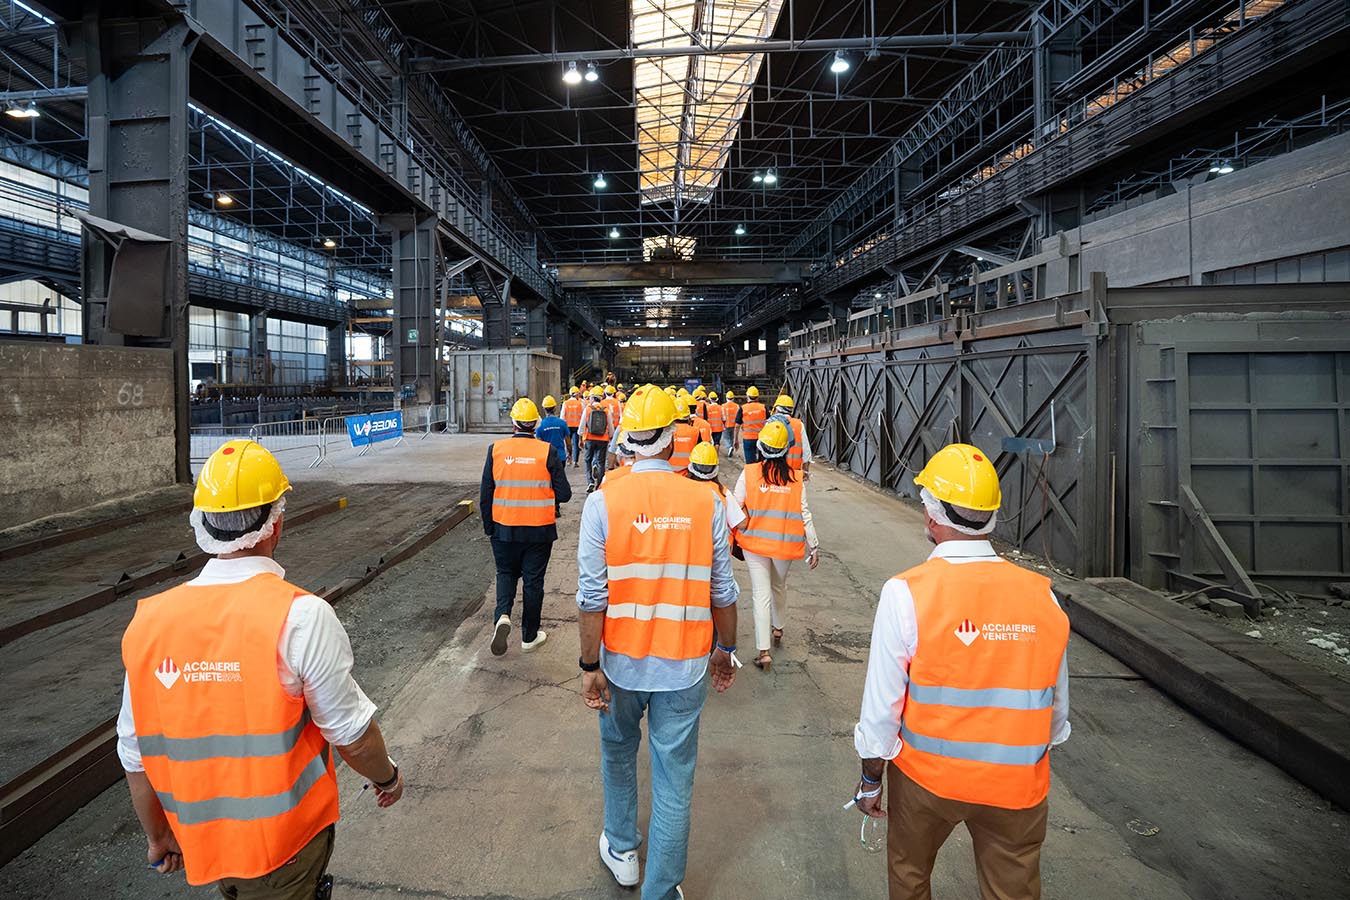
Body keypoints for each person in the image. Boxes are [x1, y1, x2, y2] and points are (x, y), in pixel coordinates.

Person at [118, 440, 404, 896]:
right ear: (276, 522)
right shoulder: (300, 616)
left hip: (202, 846)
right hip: (282, 851)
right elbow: (352, 736)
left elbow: (135, 754)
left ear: (202, 525)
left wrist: (158, 835)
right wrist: (387, 776)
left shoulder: (148, 624)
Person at [851, 443, 1071, 900]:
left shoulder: (906, 592)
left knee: (910, 875)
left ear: (932, 516)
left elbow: (881, 710)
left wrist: (872, 779)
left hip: (927, 781)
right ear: (990, 518)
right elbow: (1055, 710)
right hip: (1016, 785)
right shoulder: (1042, 596)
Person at [576, 384, 741, 900]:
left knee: (618, 754)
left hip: (621, 664)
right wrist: (726, 650)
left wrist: (589, 666)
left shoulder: (602, 503)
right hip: (685, 666)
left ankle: (623, 850)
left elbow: (591, 598)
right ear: (672, 440)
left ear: (626, 440)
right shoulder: (706, 501)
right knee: (674, 779)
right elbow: (723, 591)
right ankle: (661, 890)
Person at [480, 398, 573, 655]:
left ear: (513, 423)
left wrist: (489, 528)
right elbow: (564, 494)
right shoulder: (546, 452)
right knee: (533, 582)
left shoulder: (496, 450)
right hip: (538, 531)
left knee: (505, 573)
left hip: (503, 528)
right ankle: (529, 637)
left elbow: (485, 494)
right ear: (535, 424)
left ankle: (502, 615)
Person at [733, 420, 820, 671]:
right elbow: (804, 513)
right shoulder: (796, 478)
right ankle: (778, 628)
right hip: (784, 545)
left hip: (754, 544)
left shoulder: (749, 473)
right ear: (786, 449)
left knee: (760, 594)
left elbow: (735, 506)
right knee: (778, 586)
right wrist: (814, 546)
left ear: (760, 447)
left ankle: (764, 652)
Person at [685, 441, 745, 538]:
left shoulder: (681, 489)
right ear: (715, 468)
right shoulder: (723, 493)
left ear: (692, 465)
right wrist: (744, 506)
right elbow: (741, 524)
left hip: (689, 543)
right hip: (717, 545)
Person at [769, 394, 812, 482]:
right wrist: (805, 471)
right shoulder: (799, 425)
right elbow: (806, 452)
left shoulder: (770, 424)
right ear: (791, 411)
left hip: (773, 472)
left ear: (777, 409)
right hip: (794, 473)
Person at [581, 385, 613, 492]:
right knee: (601, 462)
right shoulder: (606, 410)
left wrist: (581, 437)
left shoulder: (588, 409)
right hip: (603, 439)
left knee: (587, 460)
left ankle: (590, 481)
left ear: (592, 398)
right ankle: (599, 485)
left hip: (589, 438)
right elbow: (610, 427)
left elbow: (581, 427)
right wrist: (610, 437)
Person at [536, 395, 570, 480]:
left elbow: (538, 444)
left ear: (544, 409)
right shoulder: (562, 423)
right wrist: (570, 453)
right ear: (554, 408)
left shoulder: (540, 425)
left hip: (546, 458)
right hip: (560, 457)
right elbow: (568, 442)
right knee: (559, 480)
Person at [668, 397, 702, 475]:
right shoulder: (695, 431)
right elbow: (700, 453)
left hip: (669, 473)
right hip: (689, 474)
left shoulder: (667, 432)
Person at [736, 386, 767, 465]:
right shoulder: (763, 407)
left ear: (747, 397)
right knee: (762, 462)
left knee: (750, 463)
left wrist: (735, 440)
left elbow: (737, 425)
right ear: (757, 397)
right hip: (762, 438)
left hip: (748, 439)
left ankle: (752, 472)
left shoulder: (743, 408)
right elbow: (769, 423)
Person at [562, 388, 584, 467]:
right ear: (577, 394)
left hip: (567, 426)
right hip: (577, 426)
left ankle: (568, 458)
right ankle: (575, 461)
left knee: (567, 443)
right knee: (575, 444)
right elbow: (583, 416)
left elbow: (562, 416)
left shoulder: (565, 403)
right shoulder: (580, 404)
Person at [721, 390, 740, 456]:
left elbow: (723, 417)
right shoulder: (737, 406)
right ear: (733, 398)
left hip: (726, 425)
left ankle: (729, 447)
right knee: (732, 438)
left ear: (726, 398)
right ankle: (731, 448)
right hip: (734, 425)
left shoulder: (723, 406)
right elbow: (738, 416)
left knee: (726, 438)